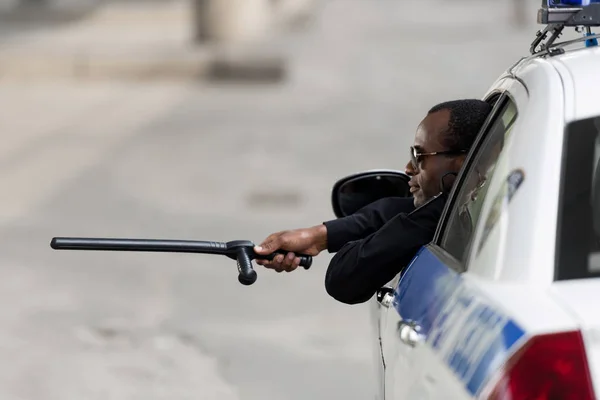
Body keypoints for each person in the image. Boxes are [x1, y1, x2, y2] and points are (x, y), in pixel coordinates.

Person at [254, 99, 494, 304]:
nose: (409, 168)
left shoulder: (439, 218)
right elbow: (397, 210)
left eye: (419, 156)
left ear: (462, 166)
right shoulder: (471, 206)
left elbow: (344, 277)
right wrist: (318, 237)